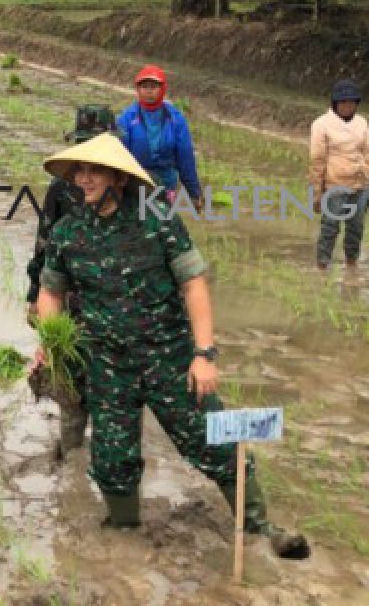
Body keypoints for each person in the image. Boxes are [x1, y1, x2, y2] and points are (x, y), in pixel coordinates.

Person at [34, 134, 309, 558]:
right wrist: (51, 346)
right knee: (112, 457)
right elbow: (50, 294)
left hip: (171, 359)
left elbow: (193, 283)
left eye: (93, 171)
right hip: (108, 365)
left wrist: (204, 355)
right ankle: (122, 532)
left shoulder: (156, 220)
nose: (83, 179)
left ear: (118, 178)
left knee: (212, 440)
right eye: (78, 172)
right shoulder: (68, 232)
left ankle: (258, 527)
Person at [25, 104, 116, 456]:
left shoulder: (135, 190)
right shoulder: (62, 188)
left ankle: (114, 466)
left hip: (118, 311)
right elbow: (43, 242)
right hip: (71, 304)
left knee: (115, 400)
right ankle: (73, 464)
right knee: (71, 391)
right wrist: (35, 295)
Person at [116, 65, 202, 209]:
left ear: (162, 89)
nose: (149, 90)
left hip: (166, 181)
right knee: (135, 220)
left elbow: (185, 157)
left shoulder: (175, 119)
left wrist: (194, 192)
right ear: (138, 89)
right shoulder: (127, 118)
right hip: (136, 179)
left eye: (153, 86)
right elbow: (119, 153)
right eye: (145, 86)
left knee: (164, 220)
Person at [308, 79, 369, 271]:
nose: (347, 106)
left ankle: (351, 264)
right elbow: (317, 161)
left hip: (359, 185)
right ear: (335, 103)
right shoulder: (321, 125)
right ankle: (322, 266)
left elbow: (367, 154)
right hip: (334, 186)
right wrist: (316, 194)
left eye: (352, 102)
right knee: (330, 227)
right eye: (343, 102)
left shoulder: (362, 123)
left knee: (356, 228)